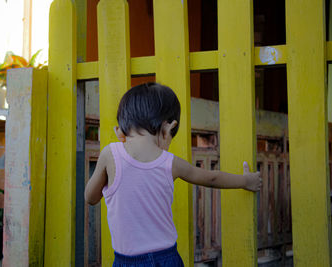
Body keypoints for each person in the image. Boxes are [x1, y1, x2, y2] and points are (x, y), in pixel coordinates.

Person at [84, 82, 262, 267]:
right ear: (169, 127)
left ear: (122, 125)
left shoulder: (110, 154)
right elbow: (211, 178)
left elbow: (90, 197)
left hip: (126, 260)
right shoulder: (170, 163)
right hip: (166, 258)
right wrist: (245, 180)